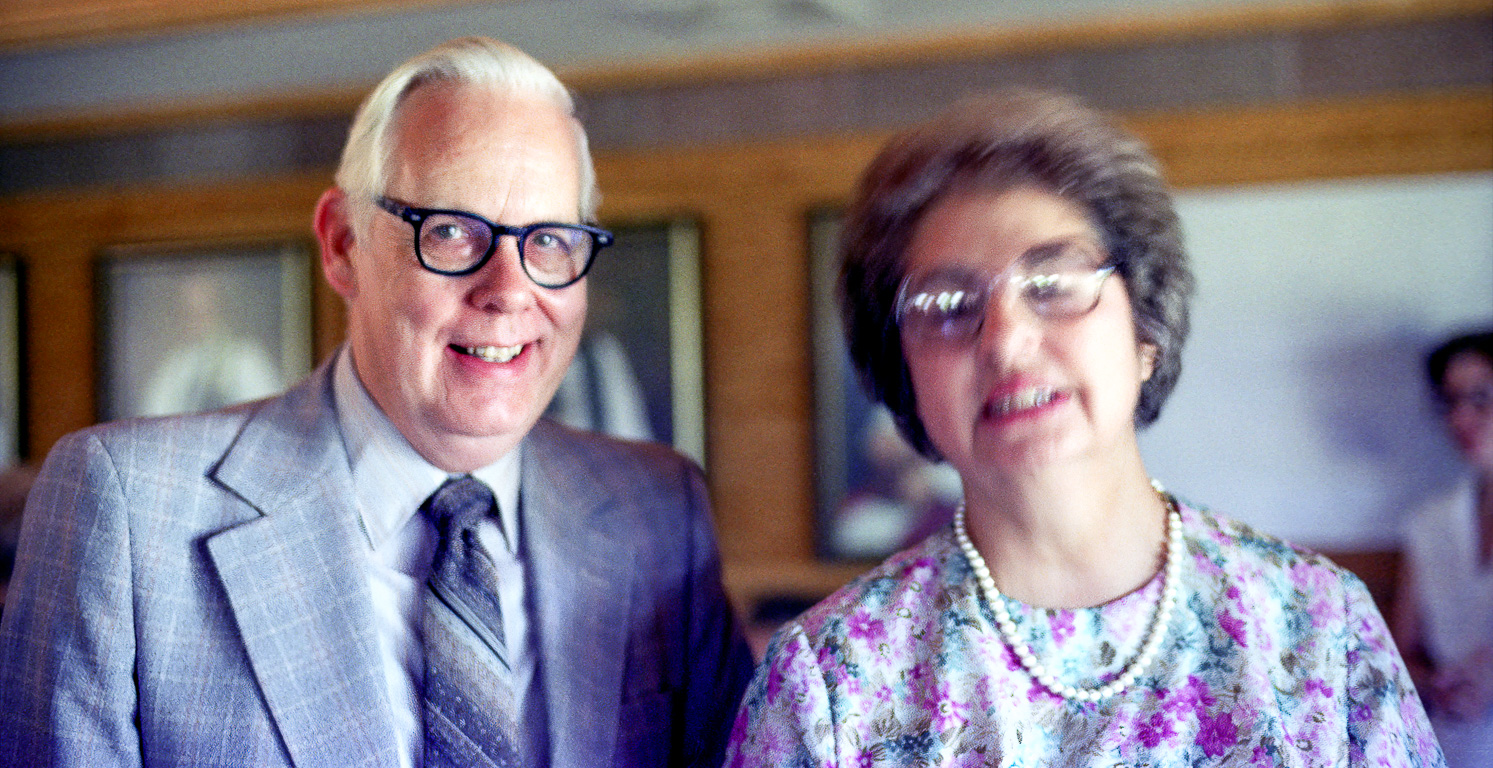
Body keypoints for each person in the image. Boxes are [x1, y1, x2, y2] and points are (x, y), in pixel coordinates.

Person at [0, 37, 752, 768]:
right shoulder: (129, 509)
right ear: (342, 243)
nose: (510, 290)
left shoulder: (658, 511)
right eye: (453, 231)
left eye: (550, 240)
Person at [724, 88, 1444, 766]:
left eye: (1052, 284)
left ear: (1144, 332)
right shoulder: (831, 681)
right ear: (902, 377)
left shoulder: (1317, 627)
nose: (1004, 341)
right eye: (946, 304)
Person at [1395, 329, 1493, 766]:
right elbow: (1401, 652)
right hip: (1448, 746)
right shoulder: (1430, 523)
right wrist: (1437, 684)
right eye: (1450, 402)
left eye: (1480, 397)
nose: (1461, 419)